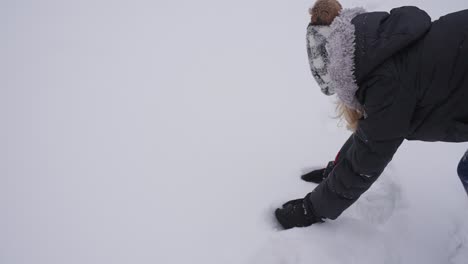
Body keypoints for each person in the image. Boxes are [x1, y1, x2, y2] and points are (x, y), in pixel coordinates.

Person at [274, 0, 468, 230]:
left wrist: (312, 209)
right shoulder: (380, 45)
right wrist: (334, 170)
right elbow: (370, 132)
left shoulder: (385, 83)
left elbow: (368, 157)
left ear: (340, 72)